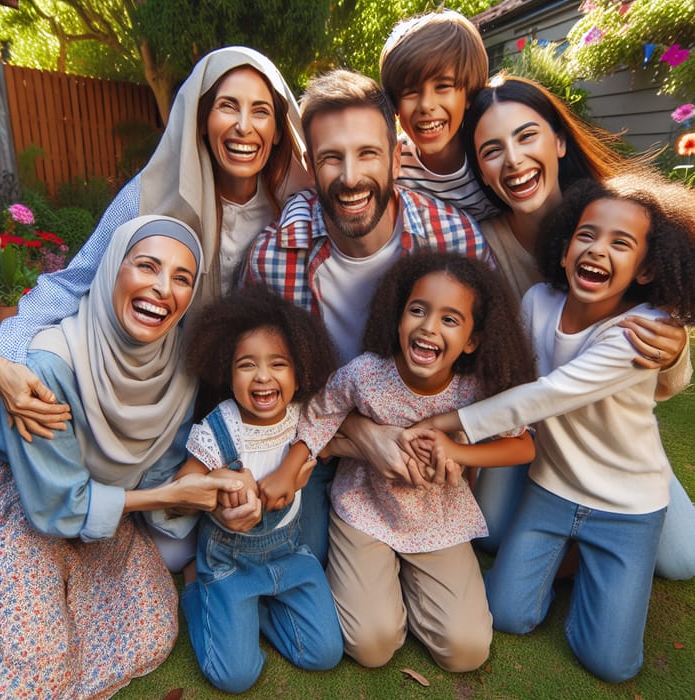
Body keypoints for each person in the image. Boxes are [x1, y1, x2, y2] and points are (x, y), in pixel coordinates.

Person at [402, 174, 695, 682]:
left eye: (620, 243)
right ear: (563, 251)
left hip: (627, 506)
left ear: (646, 268)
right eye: (587, 235)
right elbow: (509, 380)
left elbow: (546, 395)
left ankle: (605, 569)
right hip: (553, 488)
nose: (598, 250)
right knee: (509, 614)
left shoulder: (640, 330)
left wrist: (446, 424)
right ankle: (577, 557)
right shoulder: (538, 301)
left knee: (612, 664)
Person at [0, 45, 310, 441]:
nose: (243, 126)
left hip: (263, 396)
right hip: (170, 397)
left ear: (279, 129)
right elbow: (74, 281)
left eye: (261, 111)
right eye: (227, 106)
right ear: (200, 120)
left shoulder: (298, 208)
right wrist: (3, 352)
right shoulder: (150, 196)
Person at [242, 69, 489, 564]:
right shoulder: (276, 256)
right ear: (311, 166)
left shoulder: (452, 240)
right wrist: (360, 435)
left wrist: (448, 447)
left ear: (398, 157)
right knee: (290, 550)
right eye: (332, 157)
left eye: (368, 153)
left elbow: (487, 363)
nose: (351, 177)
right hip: (318, 437)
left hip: (429, 440)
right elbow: (259, 380)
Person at [0, 216, 246, 697]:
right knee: (38, 668)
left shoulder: (177, 363)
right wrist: (167, 496)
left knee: (152, 624)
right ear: (113, 268)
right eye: (147, 265)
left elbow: (162, 468)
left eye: (181, 278)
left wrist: (212, 492)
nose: (162, 288)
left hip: (101, 502)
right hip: (27, 500)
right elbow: (57, 506)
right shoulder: (48, 367)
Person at [460, 75, 694, 576]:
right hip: (528, 423)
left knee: (682, 558)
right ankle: (562, 546)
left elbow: (666, 386)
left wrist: (675, 351)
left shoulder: (621, 222)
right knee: (491, 531)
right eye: (491, 150)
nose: (514, 161)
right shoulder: (482, 243)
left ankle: (599, 545)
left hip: (607, 434)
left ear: (559, 140)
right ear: (479, 168)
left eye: (527, 136)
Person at [263, 251, 535, 671]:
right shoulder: (365, 375)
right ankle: (384, 597)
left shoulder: (477, 390)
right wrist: (287, 468)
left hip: (438, 517)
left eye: (449, 319)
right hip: (365, 509)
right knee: (372, 646)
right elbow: (319, 414)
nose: (428, 328)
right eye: (418, 311)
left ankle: (414, 587)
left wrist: (459, 451)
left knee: (466, 652)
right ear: (398, 317)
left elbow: (522, 446)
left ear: (472, 340)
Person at [173, 286, 342, 693]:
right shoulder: (222, 426)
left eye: (278, 364)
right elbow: (181, 489)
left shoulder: (304, 416)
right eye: (247, 365)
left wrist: (293, 465)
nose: (263, 376)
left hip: (289, 553)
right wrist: (222, 487)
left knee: (323, 653)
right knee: (235, 677)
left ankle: (251, 612)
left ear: (299, 371)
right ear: (227, 374)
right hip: (229, 562)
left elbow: (334, 420)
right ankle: (199, 592)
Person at [379, 9, 496, 221]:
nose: (426, 105)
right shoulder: (392, 168)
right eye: (410, 91)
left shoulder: (492, 155)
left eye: (443, 86)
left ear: (469, 94)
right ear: (394, 104)